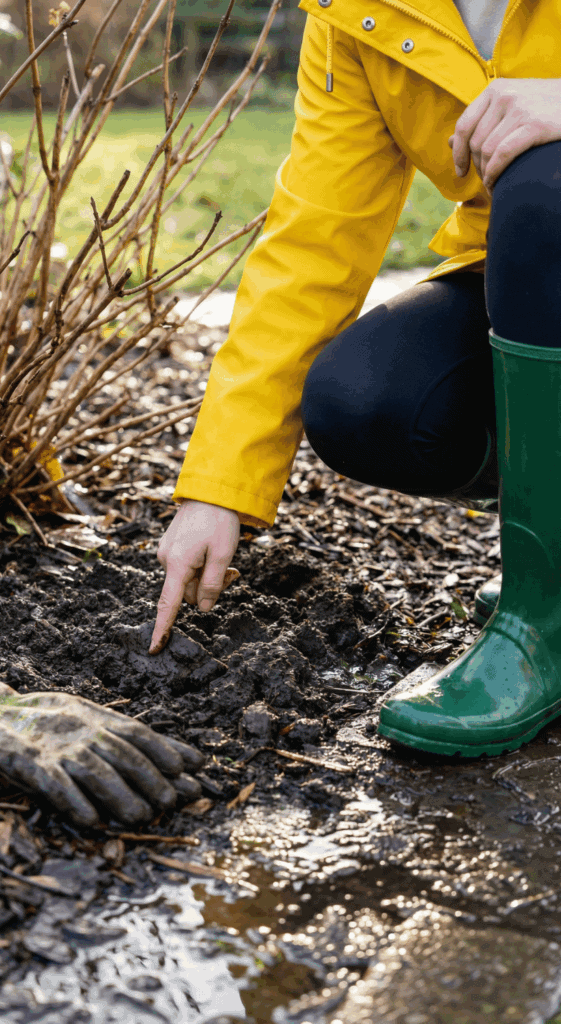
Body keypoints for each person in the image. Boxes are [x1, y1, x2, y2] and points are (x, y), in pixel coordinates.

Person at [150, 0, 561, 757]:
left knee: (544, 184)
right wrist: (217, 485)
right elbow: (313, 245)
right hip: (532, 277)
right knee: (369, 400)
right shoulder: (358, 14)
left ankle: (545, 621)